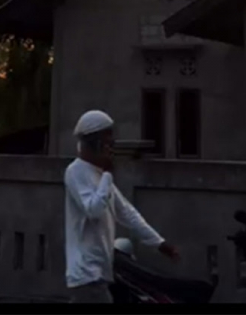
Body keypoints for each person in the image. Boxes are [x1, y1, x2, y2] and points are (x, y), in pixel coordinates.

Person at [64, 109, 179, 304]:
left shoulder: (99, 176)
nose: (111, 150)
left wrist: (159, 243)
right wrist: (108, 175)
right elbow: (93, 210)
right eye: (108, 144)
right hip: (87, 273)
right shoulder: (76, 172)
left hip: (101, 272)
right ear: (96, 144)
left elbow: (127, 213)